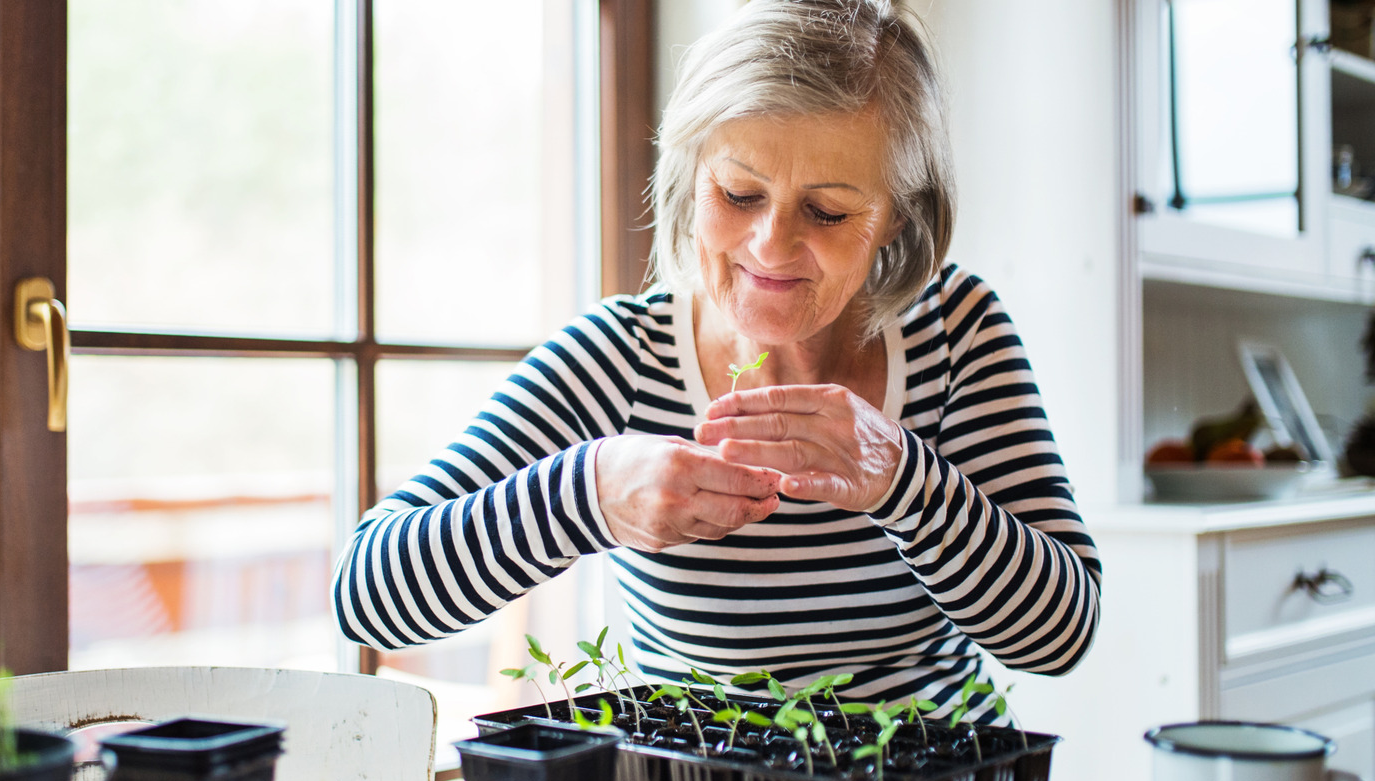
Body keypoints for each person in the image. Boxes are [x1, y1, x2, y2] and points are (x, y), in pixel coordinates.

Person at [332, 0, 1100, 723]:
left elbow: (1061, 635)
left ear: (898, 212)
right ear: (690, 174)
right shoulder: (621, 358)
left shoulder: (957, 333)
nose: (770, 244)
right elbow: (365, 592)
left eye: (828, 211)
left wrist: (904, 480)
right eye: (738, 193)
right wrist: (588, 493)